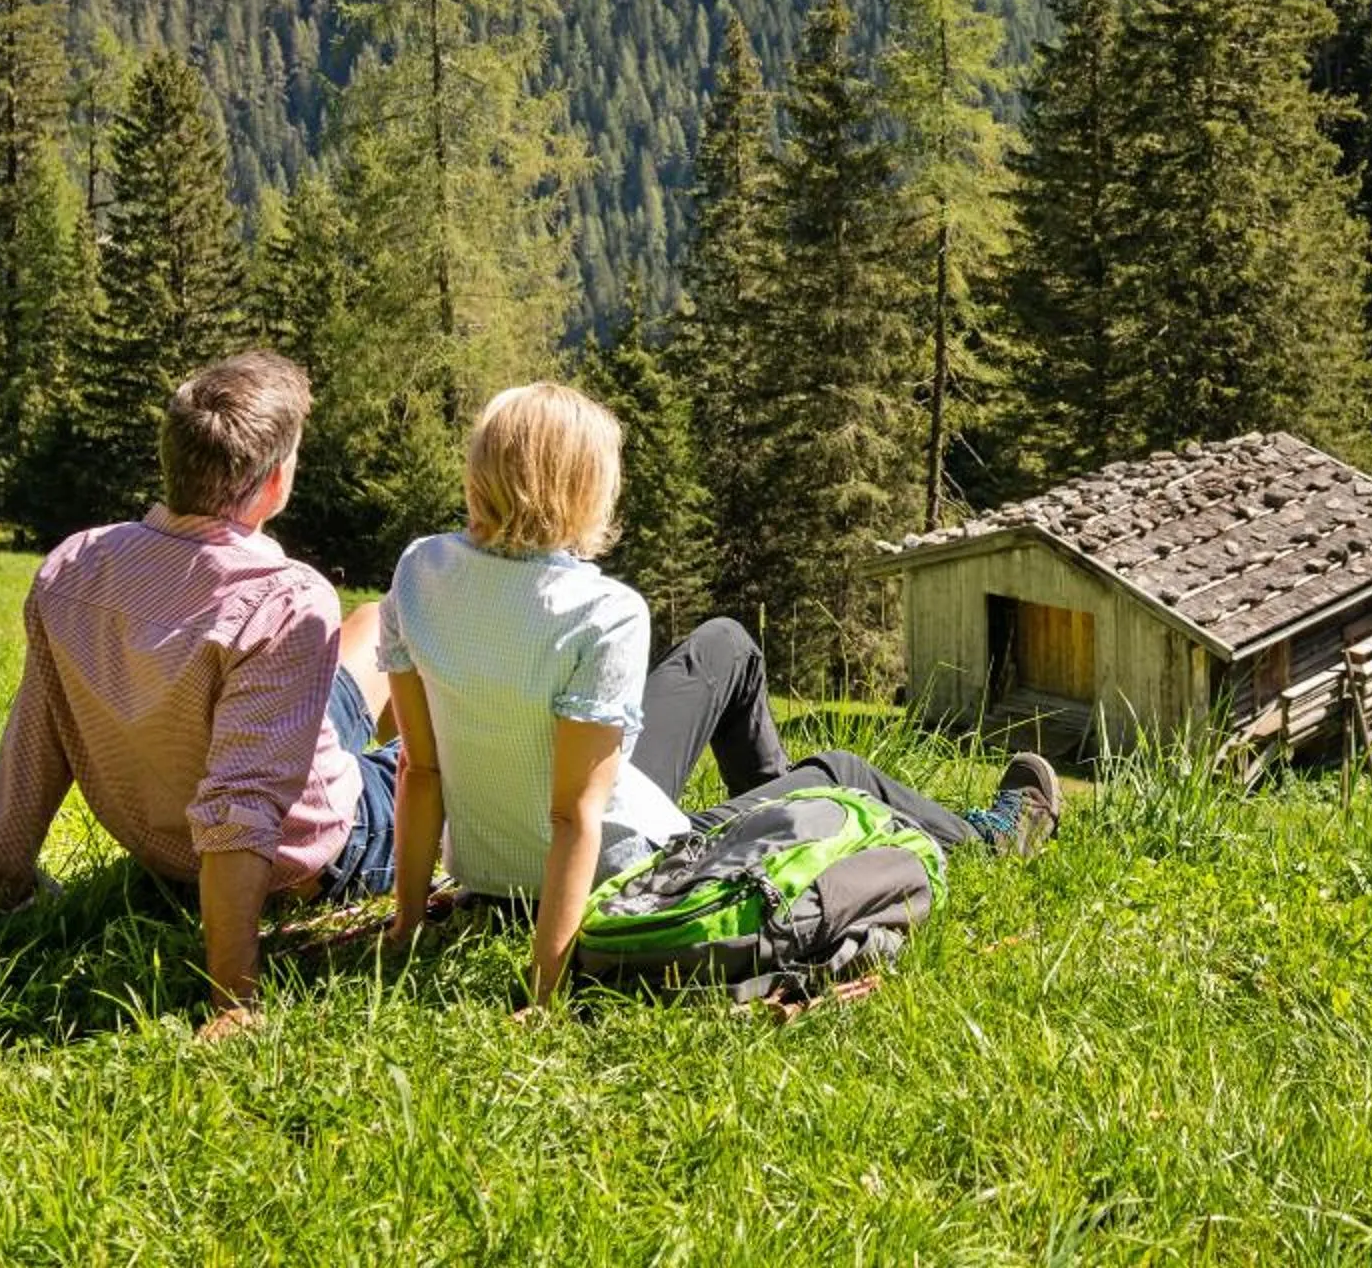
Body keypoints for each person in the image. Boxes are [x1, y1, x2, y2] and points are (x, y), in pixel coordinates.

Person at [378, 381, 1058, 1004]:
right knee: (842, 773)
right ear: (583, 490)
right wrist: (544, 990)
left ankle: (777, 825)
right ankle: (991, 838)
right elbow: (572, 820)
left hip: (492, 869)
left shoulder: (419, 572)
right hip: (617, 873)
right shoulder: (601, 611)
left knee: (727, 644)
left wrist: (408, 925)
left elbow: (421, 767)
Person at [0, 351, 399, 1039]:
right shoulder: (282, 601)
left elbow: (35, 740)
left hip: (168, 833)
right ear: (276, 483)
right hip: (315, 855)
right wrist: (234, 999)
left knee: (382, 622)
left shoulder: (76, 566)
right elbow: (242, 810)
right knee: (446, 760)